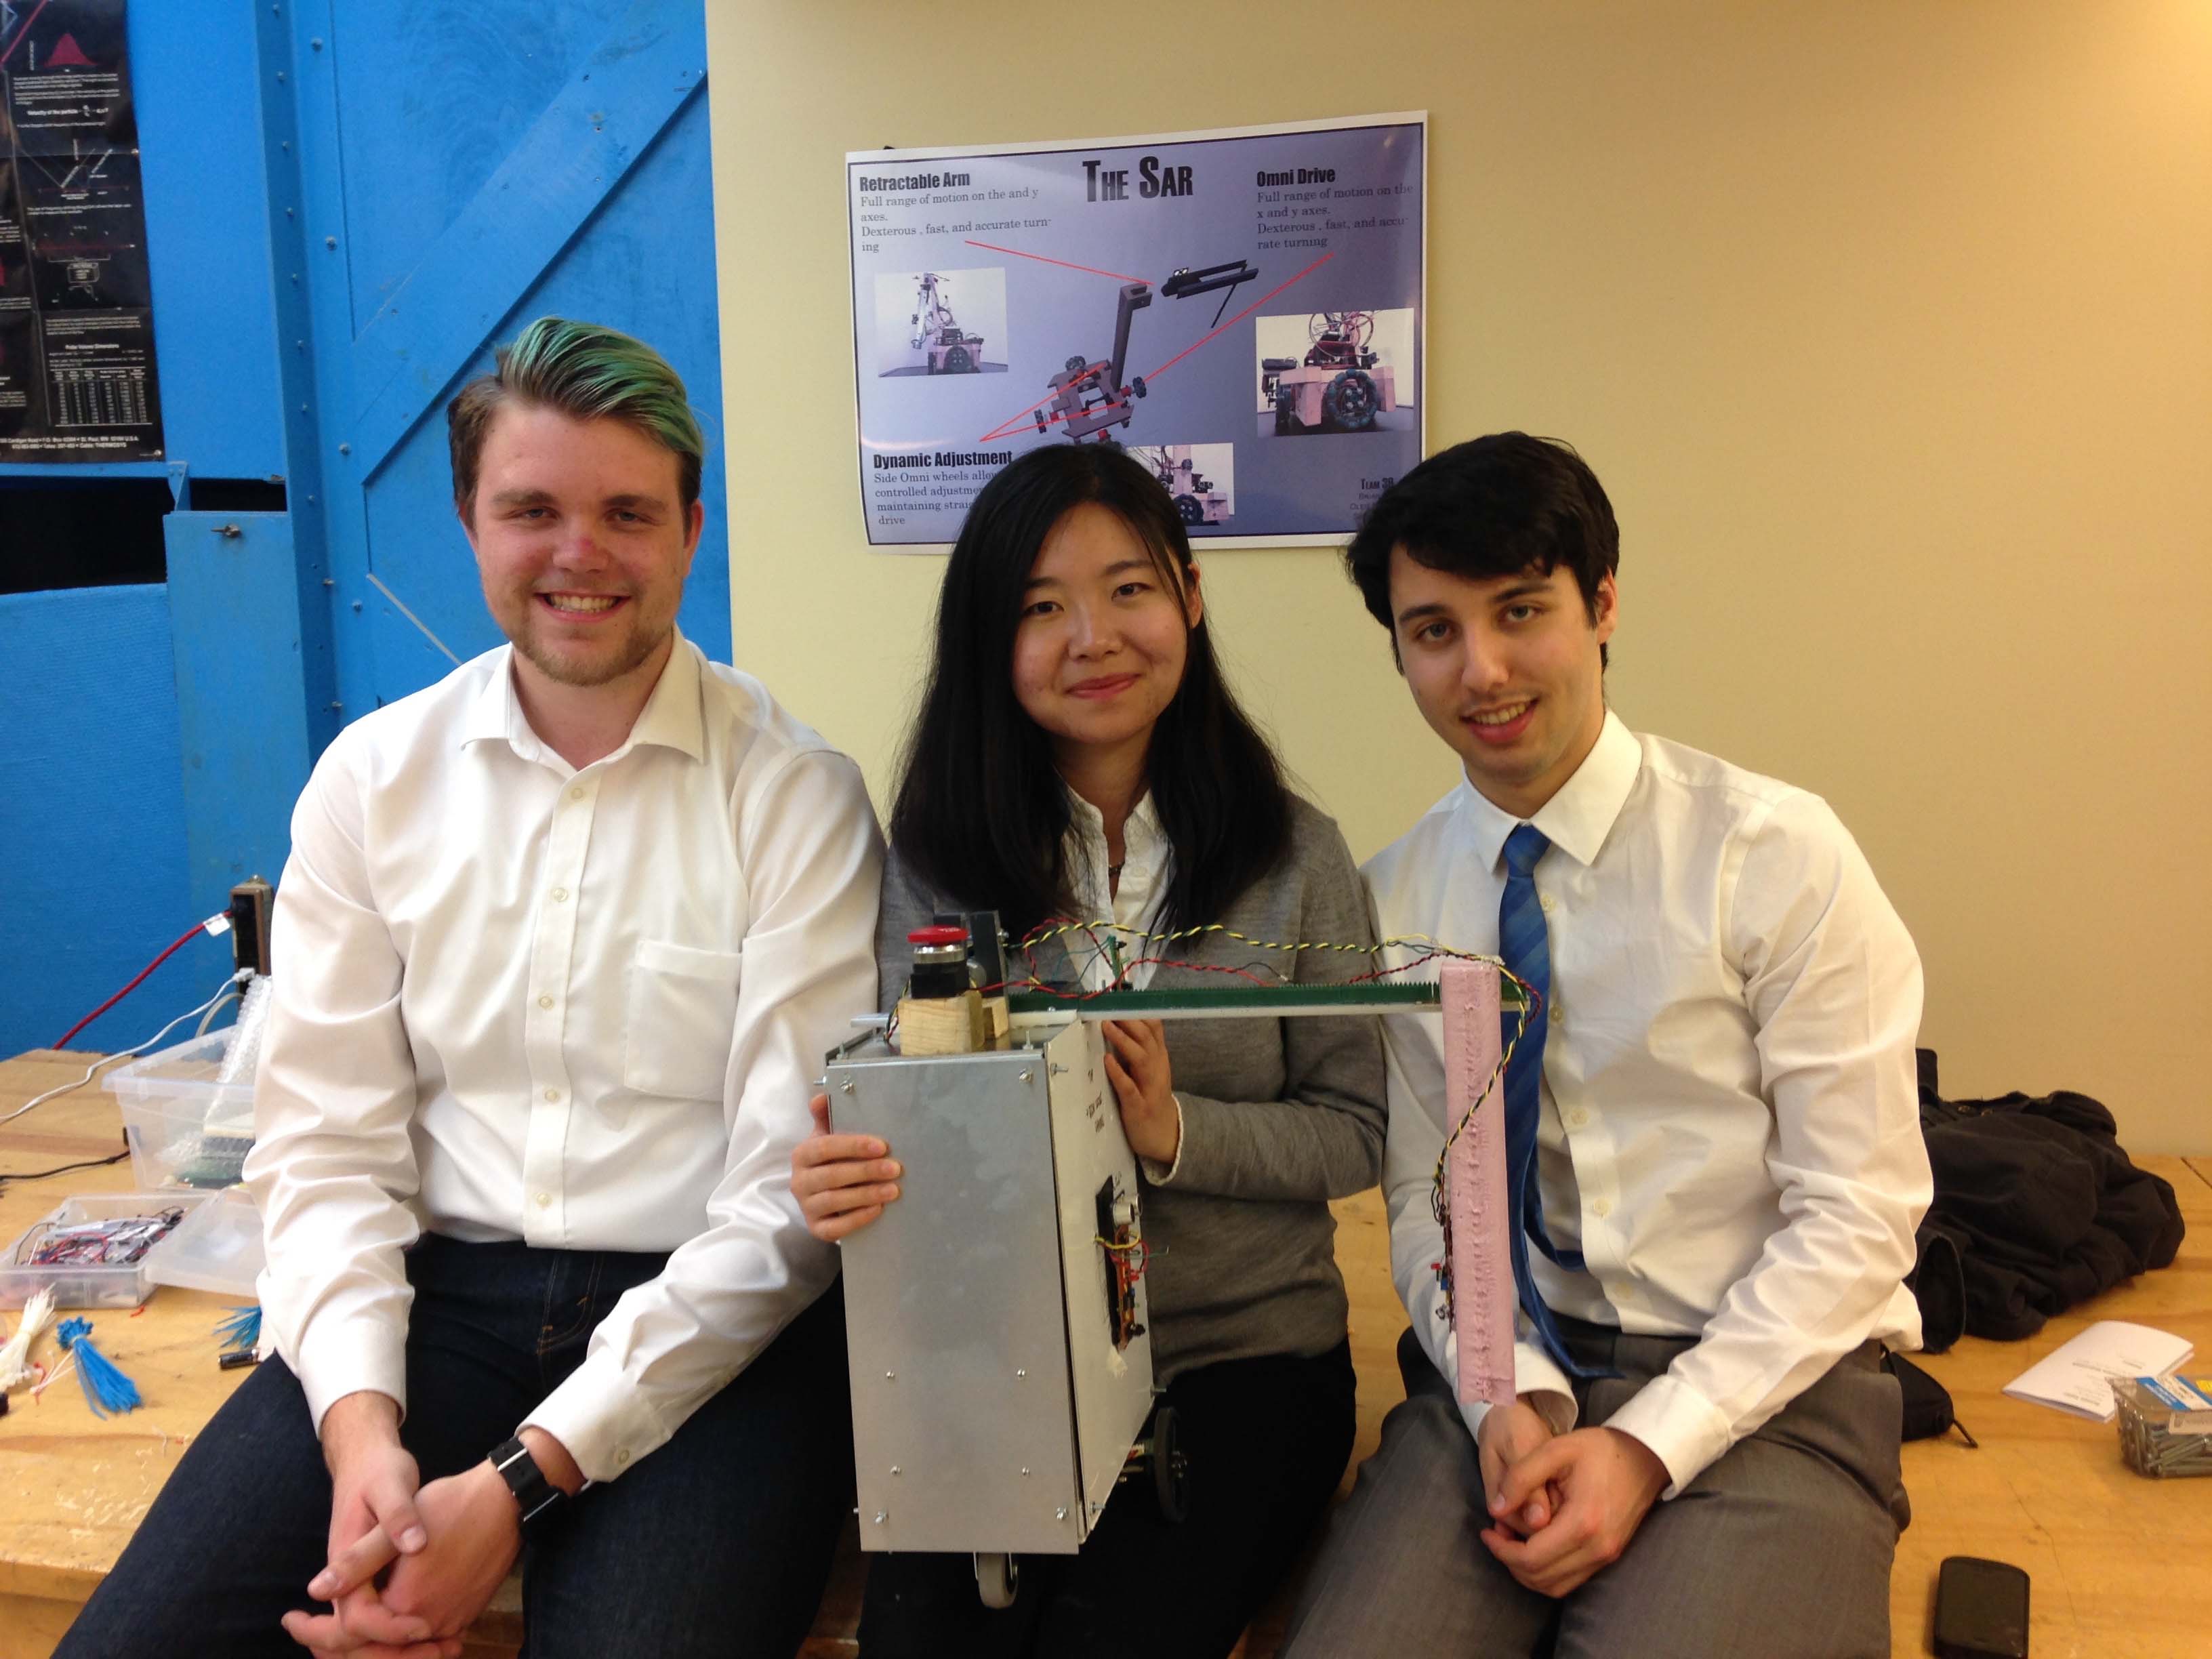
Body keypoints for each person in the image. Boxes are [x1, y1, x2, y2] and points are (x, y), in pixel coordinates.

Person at [58, 319, 882, 1659]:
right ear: (469, 523)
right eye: (532, 510)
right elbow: (326, 1150)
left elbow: (781, 1211)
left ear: (690, 531)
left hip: (714, 1329)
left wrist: (512, 1489)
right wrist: (360, 1440)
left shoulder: (796, 799)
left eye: (627, 513)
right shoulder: (372, 784)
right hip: (434, 1302)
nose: (579, 553)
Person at [1284, 434, 1931, 1659]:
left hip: (1767, 1380)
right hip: (1509, 1371)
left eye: (1521, 610)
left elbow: (1860, 1214)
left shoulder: (1772, 855)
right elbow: (1429, 1201)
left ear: (1604, 604)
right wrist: (1503, 1390)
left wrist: (1649, 1444)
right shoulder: (1398, 900)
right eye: (1434, 631)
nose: (1482, 669)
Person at [791, 443, 1386, 1658]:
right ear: (988, 642)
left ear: (1190, 599)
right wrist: (866, 1160)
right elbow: (920, 1112)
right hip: (1002, 1360)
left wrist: (1176, 1134)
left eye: (1129, 590)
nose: (1093, 639)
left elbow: (1359, 1131)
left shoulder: (1296, 854)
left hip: (1243, 1362)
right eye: (1040, 608)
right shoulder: (938, 861)